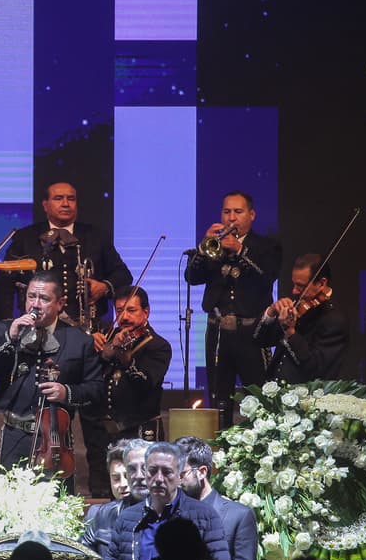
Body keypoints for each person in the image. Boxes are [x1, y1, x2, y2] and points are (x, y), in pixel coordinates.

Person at [88, 441, 232, 560]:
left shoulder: (203, 515)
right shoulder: (128, 518)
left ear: (180, 476)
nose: (158, 479)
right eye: (152, 471)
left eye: (166, 472)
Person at [0, 271, 104, 477]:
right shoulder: (5, 329)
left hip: (55, 439)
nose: (35, 304)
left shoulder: (79, 341)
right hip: (14, 433)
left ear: (60, 303)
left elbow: (96, 389)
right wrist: (11, 337)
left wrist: (66, 393)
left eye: (44, 299)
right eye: (31, 296)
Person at [185, 191, 281, 427]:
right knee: (219, 397)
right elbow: (192, 277)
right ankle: (220, 452)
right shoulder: (214, 247)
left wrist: (239, 250)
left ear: (252, 214)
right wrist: (201, 249)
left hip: (252, 333)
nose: (231, 218)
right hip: (217, 332)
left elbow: (266, 277)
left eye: (238, 212)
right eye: (227, 212)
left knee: (258, 396)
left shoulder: (267, 246)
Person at [0, 181, 132, 329]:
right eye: (58, 198)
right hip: (36, 327)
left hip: (88, 329)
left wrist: (104, 286)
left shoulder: (96, 236)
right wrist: (7, 327)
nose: (66, 204)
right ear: (45, 205)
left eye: (71, 199)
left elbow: (123, 275)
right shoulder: (25, 237)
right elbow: (5, 286)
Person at [88, 286, 172, 496]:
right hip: (105, 433)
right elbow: (91, 373)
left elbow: (146, 382)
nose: (123, 317)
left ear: (146, 312)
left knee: (143, 491)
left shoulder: (158, 346)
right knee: (106, 492)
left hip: (140, 430)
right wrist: (103, 351)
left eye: (131, 310)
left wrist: (126, 361)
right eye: (119, 311)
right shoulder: (108, 337)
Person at [175, 435, 258, 560]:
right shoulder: (170, 513)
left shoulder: (238, 516)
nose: (176, 482)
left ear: (202, 472)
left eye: (181, 474)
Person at [254, 252, 349, 382]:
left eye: (301, 286)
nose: (294, 291)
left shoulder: (334, 320)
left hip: (305, 396)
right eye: (294, 284)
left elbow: (316, 368)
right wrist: (271, 312)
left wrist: (291, 333)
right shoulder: (298, 307)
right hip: (274, 390)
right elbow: (260, 340)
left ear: (321, 283)